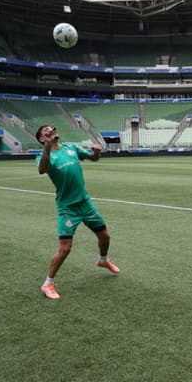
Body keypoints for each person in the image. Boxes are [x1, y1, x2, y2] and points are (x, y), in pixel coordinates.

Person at [36, 125, 120, 300]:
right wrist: (47, 147)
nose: (51, 130)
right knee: (65, 248)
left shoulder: (71, 147)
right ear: (42, 139)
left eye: (52, 128)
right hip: (68, 208)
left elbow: (93, 158)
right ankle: (47, 283)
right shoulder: (44, 155)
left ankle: (103, 260)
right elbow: (42, 169)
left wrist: (97, 152)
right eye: (46, 131)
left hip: (85, 203)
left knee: (105, 236)